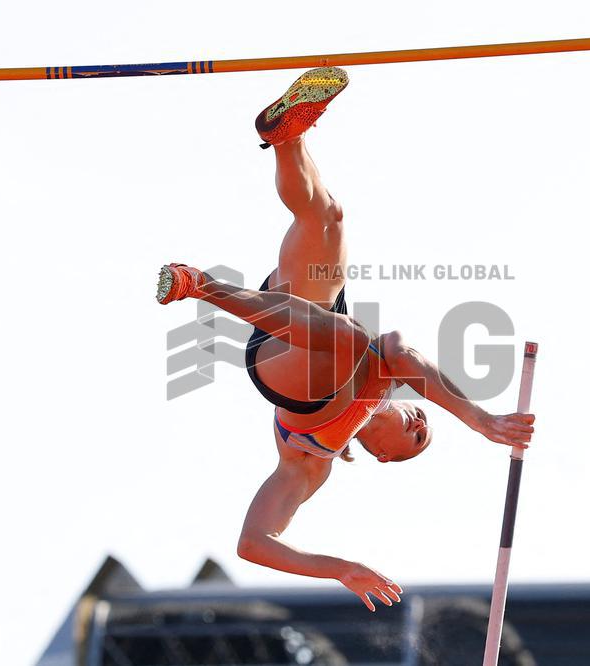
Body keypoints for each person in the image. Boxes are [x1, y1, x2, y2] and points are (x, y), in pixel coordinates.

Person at [156, 67, 536, 612]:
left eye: (417, 441)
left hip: (286, 369)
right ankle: (286, 136)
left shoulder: (312, 462)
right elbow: (401, 348)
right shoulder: (392, 374)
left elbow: (253, 543)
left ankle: (199, 286)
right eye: (427, 426)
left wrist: (338, 568)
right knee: (328, 217)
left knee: (352, 339)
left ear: (381, 455)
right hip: (309, 319)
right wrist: (479, 418)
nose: (421, 423)